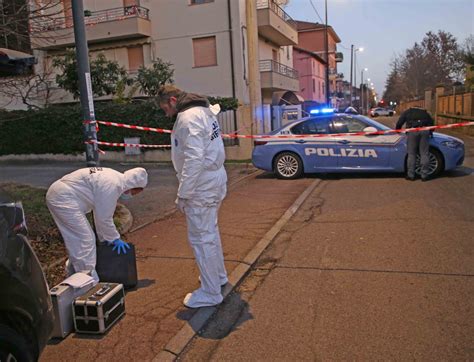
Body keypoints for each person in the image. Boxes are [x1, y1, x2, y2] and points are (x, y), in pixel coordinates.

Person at [156, 85, 228, 308]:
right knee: (210, 233)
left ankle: (210, 291)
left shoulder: (188, 118)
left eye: (165, 108)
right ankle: (218, 277)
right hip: (213, 179)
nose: (166, 114)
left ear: (173, 100)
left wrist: (184, 194)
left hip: (201, 185)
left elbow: (194, 159)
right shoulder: (204, 111)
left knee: (201, 238)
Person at [46, 167, 148, 283]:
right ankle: (88, 283)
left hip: (62, 195)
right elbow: (104, 219)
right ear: (133, 187)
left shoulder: (114, 177)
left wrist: (105, 239)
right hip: (63, 198)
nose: (133, 195)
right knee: (85, 240)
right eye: (135, 192)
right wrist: (114, 238)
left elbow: (99, 214)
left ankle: (74, 276)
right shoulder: (112, 186)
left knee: (79, 241)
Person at [395, 106, 434, 181]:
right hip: (424, 131)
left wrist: (398, 130)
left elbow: (400, 122)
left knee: (411, 154)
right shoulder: (425, 113)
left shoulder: (408, 112)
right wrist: (430, 132)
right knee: (424, 153)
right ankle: (424, 175)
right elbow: (432, 124)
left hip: (412, 132)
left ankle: (411, 175)